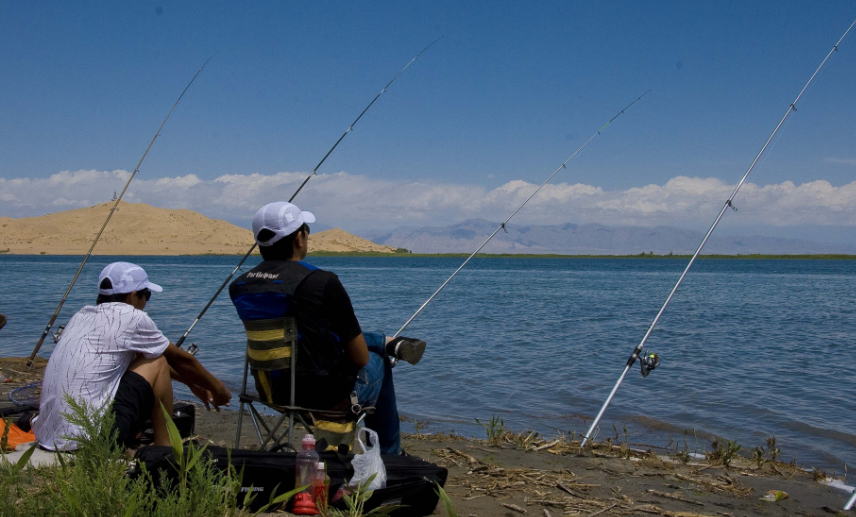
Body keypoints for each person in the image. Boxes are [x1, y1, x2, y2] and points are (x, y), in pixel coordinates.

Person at [229, 202, 426, 454]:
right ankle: (391, 455)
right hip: (325, 398)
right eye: (306, 230)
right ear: (300, 238)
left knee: (323, 335)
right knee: (379, 362)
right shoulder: (322, 282)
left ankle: (386, 341)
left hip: (271, 394)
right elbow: (360, 358)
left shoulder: (239, 287)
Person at [33, 262, 232, 451]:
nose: (146, 302)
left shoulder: (80, 316)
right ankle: (165, 451)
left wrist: (193, 383)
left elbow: (143, 359)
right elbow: (180, 360)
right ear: (133, 296)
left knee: (153, 359)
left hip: (50, 437)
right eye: (147, 295)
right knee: (159, 361)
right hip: (88, 441)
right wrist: (219, 389)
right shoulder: (132, 317)